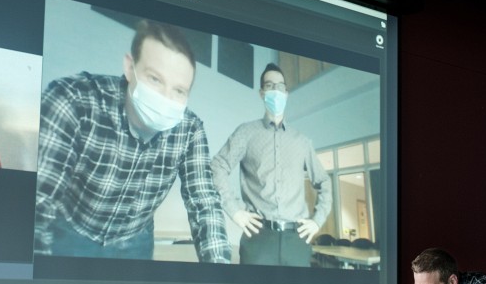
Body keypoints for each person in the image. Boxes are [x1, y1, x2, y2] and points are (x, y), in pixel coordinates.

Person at [34, 19, 230, 262]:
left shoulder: (190, 130)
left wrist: (220, 273)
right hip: (71, 232)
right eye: (155, 79)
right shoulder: (74, 100)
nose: (165, 98)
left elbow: (205, 202)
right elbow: (38, 202)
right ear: (130, 67)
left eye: (179, 91)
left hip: (136, 241)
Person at [210, 62, 331, 266]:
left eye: (280, 86)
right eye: (269, 85)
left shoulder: (302, 142)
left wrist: (317, 221)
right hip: (258, 239)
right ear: (261, 93)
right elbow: (217, 166)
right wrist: (234, 211)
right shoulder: (246, 133)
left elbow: (324, 181)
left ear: (286, 92)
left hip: (297, 241)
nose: (276, 90)